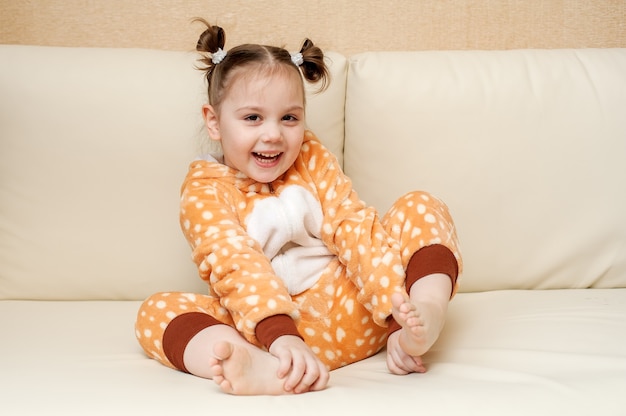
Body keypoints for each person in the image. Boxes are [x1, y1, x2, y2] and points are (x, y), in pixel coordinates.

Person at [135, 18, 462, 396]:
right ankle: (264, 368)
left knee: (419, 204)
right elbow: (234, 264)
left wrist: (394, 311)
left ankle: (425, 313)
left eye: (289, 117)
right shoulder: (204, 189)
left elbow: (352, 226)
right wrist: (281, 338)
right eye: (252, 118)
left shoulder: (308, 155)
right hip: (270, 332)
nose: (273, 134)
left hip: (356, 308)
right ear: (214, 121)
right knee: (156, 311)